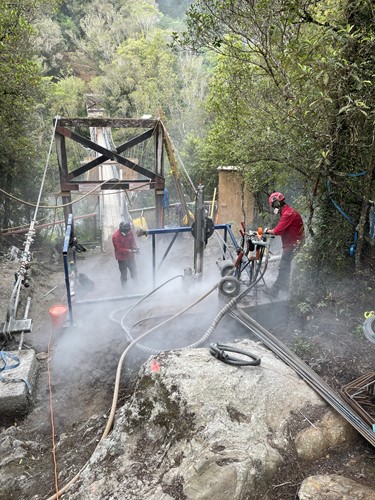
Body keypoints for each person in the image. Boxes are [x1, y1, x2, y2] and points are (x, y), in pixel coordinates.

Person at [264, 192, 304, 297]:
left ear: (277, 204)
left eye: (273, 205)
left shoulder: (288, 214)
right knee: (286, 266)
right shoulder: (286, 212)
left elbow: (277, 231)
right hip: (292, 243)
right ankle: (285, 289)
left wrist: (267, 231)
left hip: (292, 244)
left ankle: (274, 292)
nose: (273, 208)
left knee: (283, 267)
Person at [112, 221, 139, 287]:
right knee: (124, 275)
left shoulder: (130, 232)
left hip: (130, 258)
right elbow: (118, 249)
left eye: (128, 231)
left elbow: (133, 242)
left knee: (134, 272)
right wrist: (130, 251)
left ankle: (137, 287)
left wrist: (135, 248)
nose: (127, 233)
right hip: (122, 259)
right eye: (126, 231)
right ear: (122, 229)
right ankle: (125, 290)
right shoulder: (115, 236)